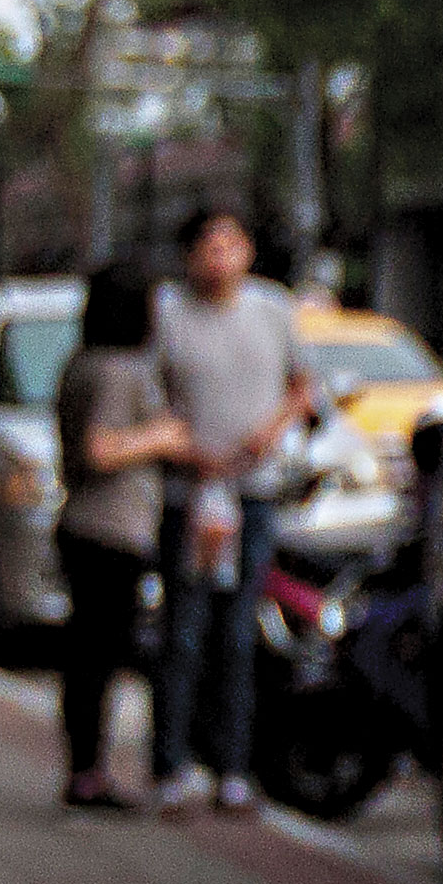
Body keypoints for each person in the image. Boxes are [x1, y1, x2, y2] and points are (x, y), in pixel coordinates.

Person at [149, 207, 319, 814]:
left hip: (253, 492)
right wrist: (188, 450)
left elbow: (304, 388)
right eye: (209, 244)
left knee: (239, 633)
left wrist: (269, 432)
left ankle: (234, 768)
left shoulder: (273, 309)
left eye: (232, 242)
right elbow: (150, 397)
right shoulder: (167, 314)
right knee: (183, 630)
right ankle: (171, 765)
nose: (221, 255)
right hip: (189, 495)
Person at [47, 264, 185, 810]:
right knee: (99, 657)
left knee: (87, 654)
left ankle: (85, 768)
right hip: (111, 528)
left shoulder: (81, 363)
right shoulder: (117, 370)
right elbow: (100, 449)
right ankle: (89, 773)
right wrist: (163, 435)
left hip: (83, 524)